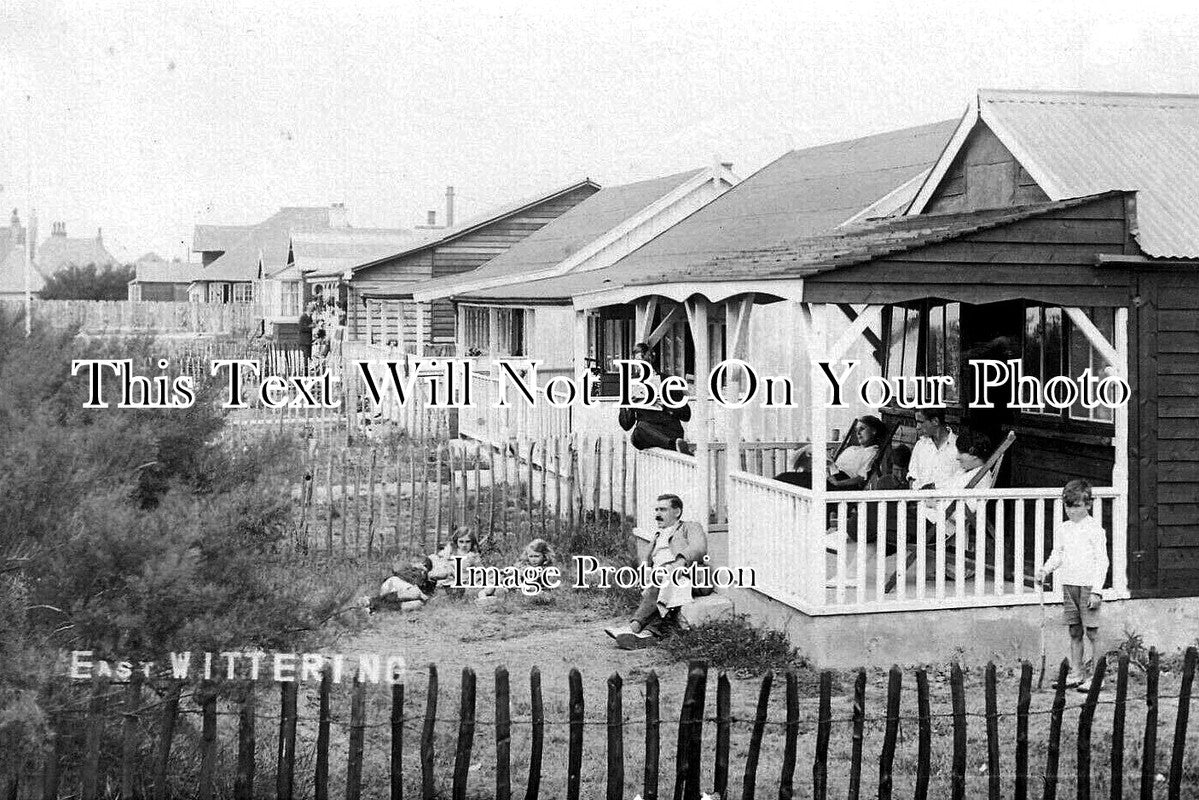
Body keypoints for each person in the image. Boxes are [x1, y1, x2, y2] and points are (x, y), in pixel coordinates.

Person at [604, 493, 708, 649]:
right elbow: (647, 561)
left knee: (663, 577)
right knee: (661, 581)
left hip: (689, 574)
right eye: (657, 510)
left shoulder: (690, 527)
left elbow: (699, 548)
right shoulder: (658, 535)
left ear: (677, 512)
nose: (658, 514)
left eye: (663, 510)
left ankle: (634, 626)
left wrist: (679, 562)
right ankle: (648, 634)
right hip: (664, 579)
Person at [1035, 479, 1109, 690]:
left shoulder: (1095, 529)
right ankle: (1077, 673)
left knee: (1092, 633)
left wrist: (1097, 591)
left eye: (1076, 506)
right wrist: (1045, 570)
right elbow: (1057, 554)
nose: (1072, 511)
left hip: (1088, 587)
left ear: (1088, 505)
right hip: (1069, 585)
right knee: (1074, 632)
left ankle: (1097, 677)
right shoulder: (1063, 529)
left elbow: (1103, 561)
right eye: (1068, 506)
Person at [618, 342, 694, 455]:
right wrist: (626, 403)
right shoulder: (633, 386)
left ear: (651, 361)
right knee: (639, 430)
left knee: (641, 428)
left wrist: (667, 404)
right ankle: (674, 445)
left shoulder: (668, 381)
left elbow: (686, 415)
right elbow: (626, 425)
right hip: (646, 432)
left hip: (668, 430)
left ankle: (673, 444)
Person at [477, 538, 556, 603]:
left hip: (527, 590)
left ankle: (494, 599)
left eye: (537, 556)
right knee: (493, 585)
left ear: (545, 556)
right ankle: (482, 597)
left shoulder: (547, 570)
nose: (533, 559)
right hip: (512, 584)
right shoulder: (523, 565)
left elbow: (548, 588)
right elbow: (512, 571)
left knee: (503, 591)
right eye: (531, 556)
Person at [907, 408, 963, 490]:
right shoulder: (920, 445)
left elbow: (960, 481)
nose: (917, 427)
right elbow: (912, 476)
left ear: (935, 421)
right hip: (920, 500)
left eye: (921, 422)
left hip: (947, 501)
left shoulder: (958, 447)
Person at [361, 557, 435, 614]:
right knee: (416, 593)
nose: (423, 573)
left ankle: (375, 609)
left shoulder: (419, 576)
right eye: (425, 570)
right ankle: (371, 601)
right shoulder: (406, 567)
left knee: (419, 604)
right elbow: (397, 572)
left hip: (400, 593)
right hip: (392, 585)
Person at [428, 527, 484, 595]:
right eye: (461, 541)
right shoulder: (450, 550)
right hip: (444, 576)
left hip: (461, 580)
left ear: (472, 542)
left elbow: (481, 570)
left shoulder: (473, 555)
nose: (464, 545)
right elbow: (441, 560)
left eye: (467, 542)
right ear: (456, 541)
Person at [298, 302, 316, 366]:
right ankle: (305, 372)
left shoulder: (310, 317)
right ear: (308, 310)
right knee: (306, 357)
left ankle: (307, 371)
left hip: (308, 341)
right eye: (311, 311)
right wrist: (310, 327)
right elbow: (301, 328)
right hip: (304, 341)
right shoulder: (303, 317)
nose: (312, 313)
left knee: (309, 357)